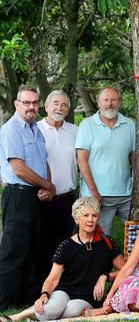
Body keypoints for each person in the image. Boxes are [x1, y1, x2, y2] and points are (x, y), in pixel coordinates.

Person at [2, 197, 124, 321]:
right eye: (85, 215)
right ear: (76, 219)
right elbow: (53, 278)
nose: (90, 220)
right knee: (54, 307)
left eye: (94, 215)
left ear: (98, 218)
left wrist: (105, 276)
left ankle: (37, 316)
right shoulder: (66, 245)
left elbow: (124, 270)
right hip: (65, 290)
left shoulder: (107, 243)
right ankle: (17, 317)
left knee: (72, 309)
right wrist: (44, 294)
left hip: (88, 297)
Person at [0, 85, 57, 311]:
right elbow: (19, 169)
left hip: (36, 197)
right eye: (27, 102)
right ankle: (4, 302)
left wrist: (49, 187)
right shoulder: (12, 129)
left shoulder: (35, 129)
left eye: (34, 103)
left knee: (34, 249)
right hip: (18, 196)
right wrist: (48, 185)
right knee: (14, 251)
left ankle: (24, 298)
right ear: (16, 104)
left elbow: (44, 162)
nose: (31, 107)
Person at [33, 90, 78, 296]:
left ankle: (59, 289)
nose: (60, 108)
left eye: (64, 105)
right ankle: (38, 291)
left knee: (64, 246)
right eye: (56, 103)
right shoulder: (35, 129)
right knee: (41, 244)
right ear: (46, 106)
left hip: (68, 197)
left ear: (68, 109)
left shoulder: (75, 130)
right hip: (42, 198)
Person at [76, 87, 136, 237]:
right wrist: (94, 192)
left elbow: (135, 158)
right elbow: (81, 160)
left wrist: (137, 185)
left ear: (119, 103)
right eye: (106, 100)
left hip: (126, 194)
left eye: (113, 100)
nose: (110, 104)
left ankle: (132, 261)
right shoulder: (87, 125)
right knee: (99, 240)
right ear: (98, 103)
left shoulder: (129, 125)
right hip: (97, 195)